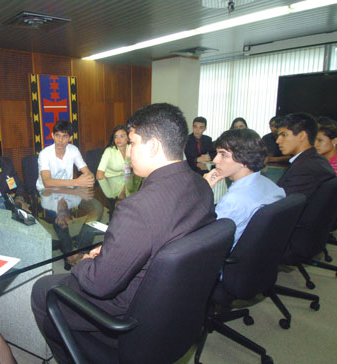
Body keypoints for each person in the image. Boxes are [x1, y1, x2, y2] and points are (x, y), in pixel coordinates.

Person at [31, 103, 216, 364]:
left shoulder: (136, 208)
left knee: (43, 289)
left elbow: (99, 283)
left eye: (131, 142)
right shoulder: (202, 186)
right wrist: (110, 253)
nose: (127, 151)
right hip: (175, 309)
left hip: (129, 313)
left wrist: (86, 263)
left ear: (152, 146)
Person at [204, 129, 285, 249]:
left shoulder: (233, 200)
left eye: (223, 154)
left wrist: (203, 191)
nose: (215, 160)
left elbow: (204, 239)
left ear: (243, 159)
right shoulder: (271, 185)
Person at [275, 113, 335, 198]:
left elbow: (283, 205)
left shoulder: (304, 168)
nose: (278, 141)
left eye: (284, 135)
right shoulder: (317, 159)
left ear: (301, 136)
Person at [35, 120, 94, 190]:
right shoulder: (44, 154)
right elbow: (47, 182)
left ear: (70, 138)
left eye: (65, 136)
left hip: (68, 191)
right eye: (57, 135)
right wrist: (77, 182)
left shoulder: (74, 150)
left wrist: (89, 178)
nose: (60, 140)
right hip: (46, 192)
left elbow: (88, 172)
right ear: (52, 136)